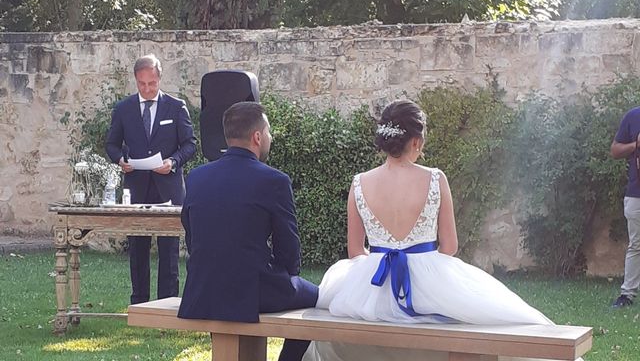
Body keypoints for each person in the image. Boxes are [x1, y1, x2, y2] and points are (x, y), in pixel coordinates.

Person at [302, 100, 563, 361]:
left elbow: (356, 251)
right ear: (416, 141)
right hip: (430, 278)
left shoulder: (360, 182)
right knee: (480, 319)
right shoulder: (435, 178)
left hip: (372, 282)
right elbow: (449, 246)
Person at [178, 101, 318, 361]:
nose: (270, 137)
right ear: (257, 136)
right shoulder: (274, 180)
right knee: (316, 298)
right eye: (268, 132)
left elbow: (192, 233)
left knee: (225, 301)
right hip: (252, 289)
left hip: (202, 288)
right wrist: (286, 278)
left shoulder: (196, 176)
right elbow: (288, 247)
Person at [106, 54, 196, 305]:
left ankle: (167, 303)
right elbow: (112, 144)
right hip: (136, 187)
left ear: (159, 79)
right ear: (136, 81)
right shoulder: (124, 109)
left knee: (169, 249)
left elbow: (190, 144)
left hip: (168, 187)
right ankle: (139, 302)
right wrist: (120, 160)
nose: (147, 89)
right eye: (142, 84)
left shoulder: (176, 107)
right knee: (137, 247)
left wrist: (173, 162)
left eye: (152, 83)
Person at [610, 106, 640, 308]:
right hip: (636, 193)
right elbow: (615, 150)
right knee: (636, 245)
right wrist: (636, 144)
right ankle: (627, 295)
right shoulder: (633, 116)